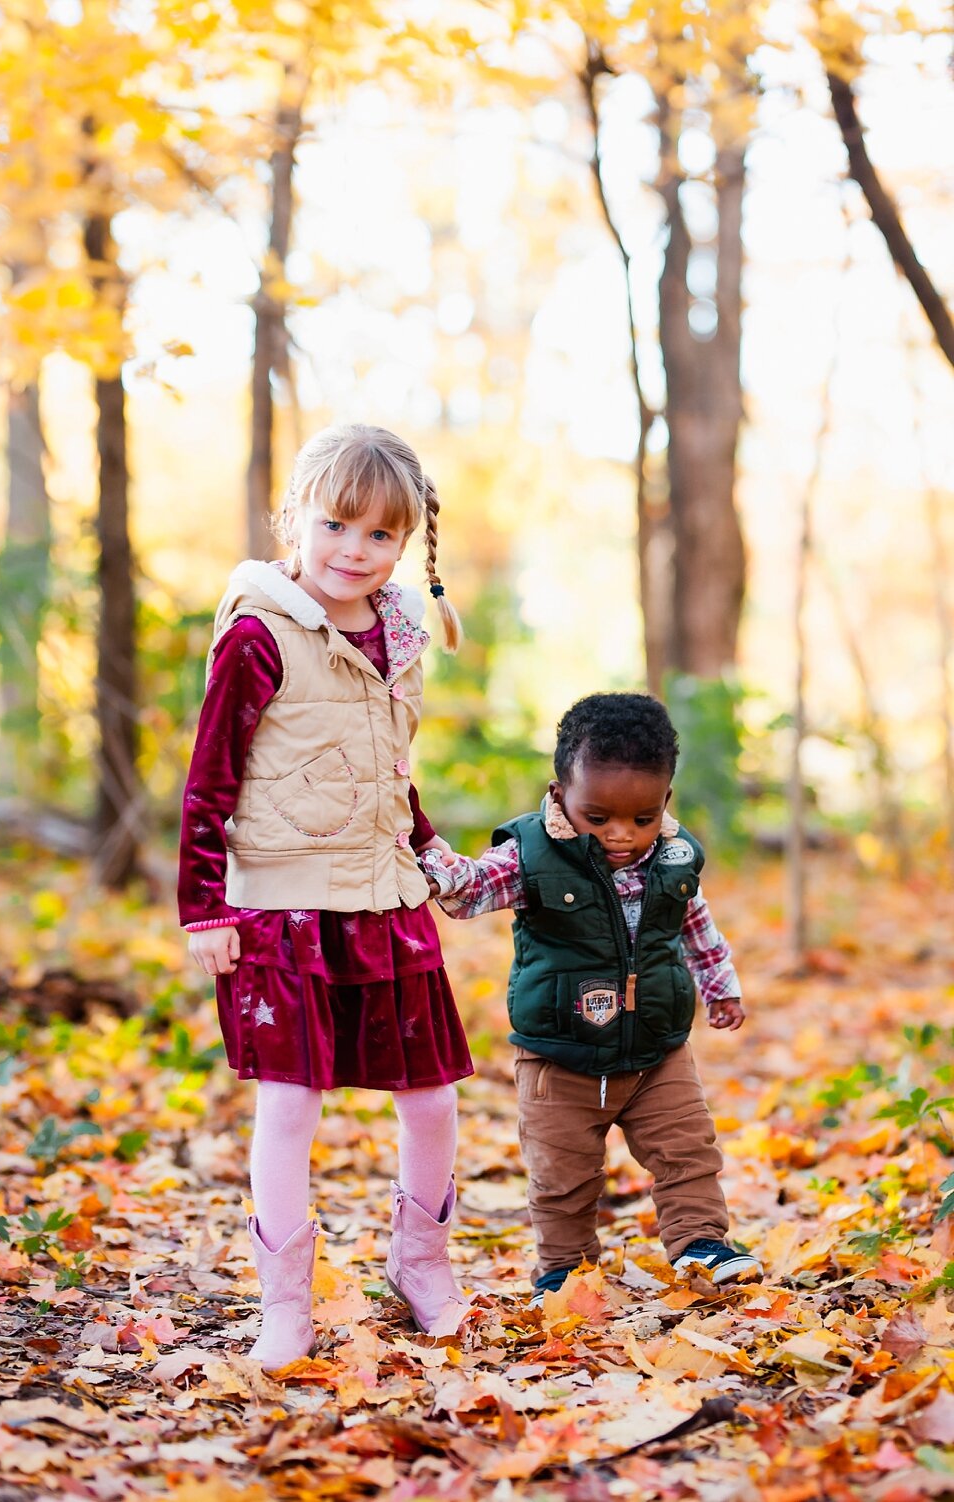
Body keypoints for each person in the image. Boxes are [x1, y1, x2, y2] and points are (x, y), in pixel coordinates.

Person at [178, 424, 473, 1368]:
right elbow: (208, 778)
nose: (354, 550)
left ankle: (420, 1261)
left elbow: (387, 769)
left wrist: (429, 851)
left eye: (380, 536)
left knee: (430, 1099)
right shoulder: (260, 635)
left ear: (407, 543)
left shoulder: (396, 633)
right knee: (290, 1106)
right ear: (296, 516)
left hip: (385, 900)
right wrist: (204, 906)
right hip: (284, 907)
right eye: (336, 524)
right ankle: (285, 1304)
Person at [420, 691, 762, 1303]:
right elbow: (470, 891)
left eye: (642, 818)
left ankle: (701, 1244)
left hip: (657, 1049)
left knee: (689, 1152)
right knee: (563, 1176)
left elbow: (697, 927)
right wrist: (436, 868)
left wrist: (721, 990)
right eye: (598, 817)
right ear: (560, 793)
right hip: (559, 1057)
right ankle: (564, 1269)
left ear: (665, 803)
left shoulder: (674, 860)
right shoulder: (529, 854)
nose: (621, 836)